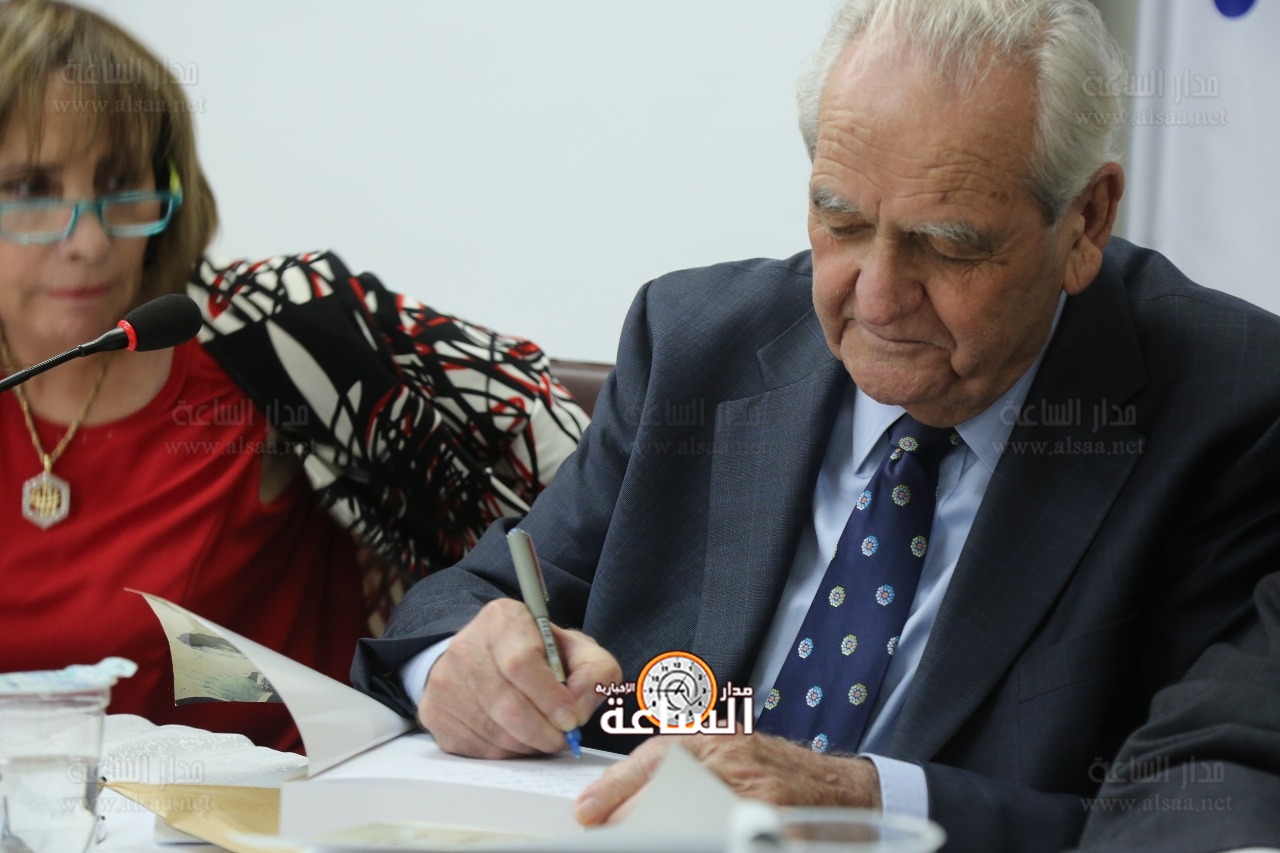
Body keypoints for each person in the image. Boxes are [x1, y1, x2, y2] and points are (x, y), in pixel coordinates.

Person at [352, 0, 1280, 848]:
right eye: (841, 221)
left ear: (1085, 222)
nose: (877, 298)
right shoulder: (695, 345)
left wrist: (865, 800)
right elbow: (481, 598)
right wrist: (462, 668)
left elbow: (1205, 797)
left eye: (948, 244)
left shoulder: (1229, 407)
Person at [0, 0, 587, 753]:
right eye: (30, 190)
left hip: (283, 800)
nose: (89, 239)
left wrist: (488, 636)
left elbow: (591, 456)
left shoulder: (277, 328)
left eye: (120, 180)